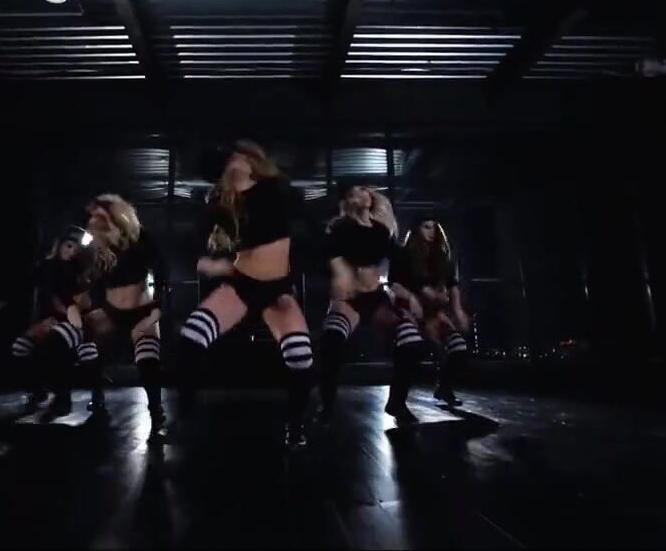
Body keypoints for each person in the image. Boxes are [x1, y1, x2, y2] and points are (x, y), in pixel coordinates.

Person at [177, 140, 316, 449]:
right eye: (231, 158)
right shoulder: (221, 205)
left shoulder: (276, 190)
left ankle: (295, 426)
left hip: (277, 287)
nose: (237, 159)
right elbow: (197, 248)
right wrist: (211, 263)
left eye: (242, 155)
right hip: (242, 284)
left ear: (253, 161)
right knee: (190, 339)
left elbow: (307, 231)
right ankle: (186, 416)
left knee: (300, 358)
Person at [317, 184, 428, 424]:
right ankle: (327, 404)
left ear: (371, 197)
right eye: (353, 192)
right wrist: (339, 269)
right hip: (349, 299)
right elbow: (327, 252)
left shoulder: (381, 231)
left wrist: (409, 296)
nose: (360, 194)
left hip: (376, 299)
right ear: (348, 201)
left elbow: (398, 264)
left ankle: (397, 402)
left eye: (363, 190)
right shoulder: (340, 227)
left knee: (411, 341)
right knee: (332, 340)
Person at [81, 194, 170, 440]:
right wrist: (95, 307)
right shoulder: (96, 245)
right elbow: (93, 281)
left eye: (100, 215)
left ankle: (157, 416)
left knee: (148, 360)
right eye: (93, 216)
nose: (94, 220)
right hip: (111, 311)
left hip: (141, 309)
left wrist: (158, 307)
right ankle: (97, 398)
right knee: (88, 346)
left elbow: (161, 270)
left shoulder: (140, 237)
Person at [10, 228, 96, 418]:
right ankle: (38, 391)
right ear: (59, 245)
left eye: (75, 249)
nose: (70, 251)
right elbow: (28, 286)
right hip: (50, 320)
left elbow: (84, 304)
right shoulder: (46, 267)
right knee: (20, 347)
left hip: (73, 321)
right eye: (68, 246)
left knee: (56, 342)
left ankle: (63, 399)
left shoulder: (78, 272)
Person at [393, 216, 474, 406]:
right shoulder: (405, 255)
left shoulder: (442, 259)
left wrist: (458, 311)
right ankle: (397, 400)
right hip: (410, 312)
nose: (431, 231)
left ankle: (444, 388)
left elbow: (452, 286)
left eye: (434, 228)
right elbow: (395, 284)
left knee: (458, 348)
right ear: (416, 230)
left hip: (434, 314)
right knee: (411, 349)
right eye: (426, 227)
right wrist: (413, 298)